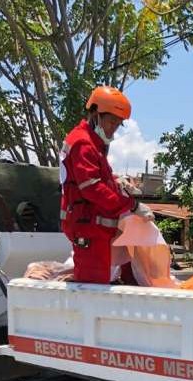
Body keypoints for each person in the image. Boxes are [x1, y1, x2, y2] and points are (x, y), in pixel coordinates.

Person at [59, 85, 152, 283]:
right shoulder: (83, 144)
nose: (113, 129)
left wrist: (117, 182)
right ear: (95, 114)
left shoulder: (92, 144)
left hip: (95, 230)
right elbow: (93, 189)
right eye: (111, 122)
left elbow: (97, 179)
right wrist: (132, 206)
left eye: (118, 125)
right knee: (93, 289)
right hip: (88, 230)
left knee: (110, 282)